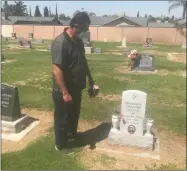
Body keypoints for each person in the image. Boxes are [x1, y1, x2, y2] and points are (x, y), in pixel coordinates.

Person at [51, 12, 97, 155]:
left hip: (76, 87)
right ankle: (61, 145)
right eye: (84, 28)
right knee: (62, 118)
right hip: (63, 89)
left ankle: (71, 135)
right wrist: (65, 92)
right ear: (76, 25)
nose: (85, 31)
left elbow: (83, 61)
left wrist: (90, 79)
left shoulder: (78, 42)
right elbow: (56, 71)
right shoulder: (60, 42)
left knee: (74, 113)